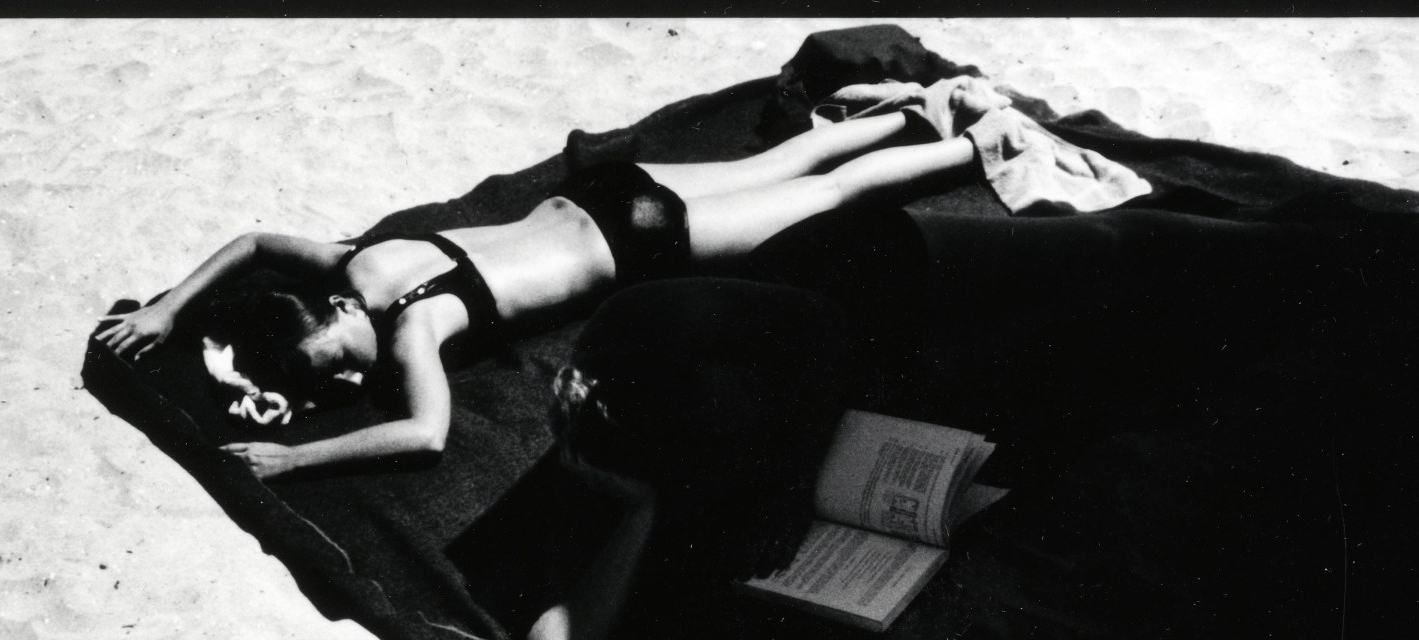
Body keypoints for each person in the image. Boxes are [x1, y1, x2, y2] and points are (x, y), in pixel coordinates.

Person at [94, 108, 977, 480]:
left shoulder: (415, 332)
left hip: (640, 239)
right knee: (780, 166)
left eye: (331, 371)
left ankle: (971, 149)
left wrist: (296, 458)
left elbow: (425, 435)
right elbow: (254, 242)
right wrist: (169, 307)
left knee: (828, 198)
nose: (344, 382)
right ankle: (916, 118)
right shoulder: (356, 266)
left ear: (331, 324)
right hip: (599, 195)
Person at [521, 277, 852, 640]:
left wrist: (795, 483)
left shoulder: (692, 339)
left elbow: (832, 326)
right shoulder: (597, 450)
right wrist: (639, 512)